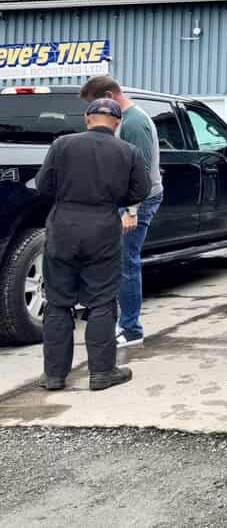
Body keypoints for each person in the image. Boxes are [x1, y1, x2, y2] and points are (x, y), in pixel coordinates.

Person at [35, 98, 150, 391]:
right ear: (117, 122)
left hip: (63, 227)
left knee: (58, 302)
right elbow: (141, 190)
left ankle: (54, 376)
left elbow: (43, 185)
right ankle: (102, 373)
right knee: (101, 300)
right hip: (103, 228)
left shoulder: (62, 145)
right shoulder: (129, 151)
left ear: (88, 119)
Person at [80, 76, 163, 347]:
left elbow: (141, 172)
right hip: (121, 201)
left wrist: (131, 210)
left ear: (108, 96)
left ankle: (131, 329)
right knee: (115, 261)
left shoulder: (134, 123)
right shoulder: (124, 119)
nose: (93, 114)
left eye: (95, 105)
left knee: (126, 263)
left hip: (137, 202)